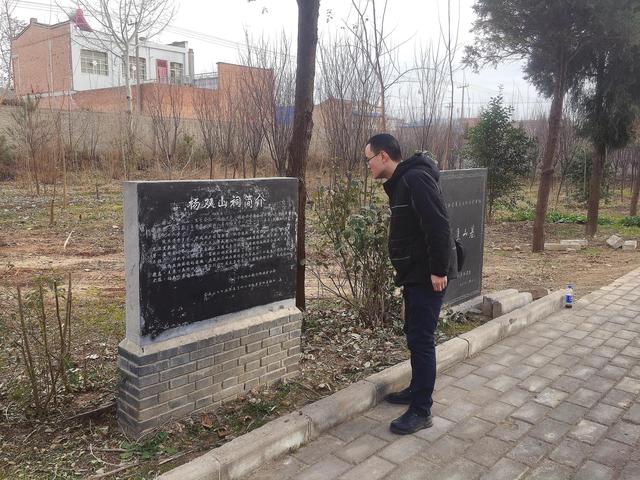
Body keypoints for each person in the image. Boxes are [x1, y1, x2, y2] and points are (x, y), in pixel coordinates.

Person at [364, 133, 457, 435]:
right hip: (415, 273)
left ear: (383, 156)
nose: (367, 166)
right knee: (415, 336)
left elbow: (438, 223)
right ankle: (416, 390)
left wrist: (439, 269)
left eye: (368, 159)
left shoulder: (415, 178)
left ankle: (421, 410)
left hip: (428, 275)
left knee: (421, 339)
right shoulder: (403, 180)